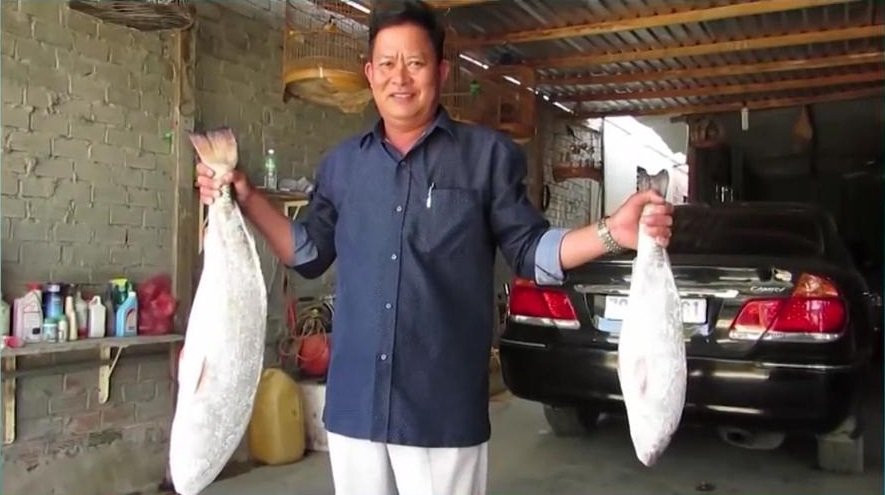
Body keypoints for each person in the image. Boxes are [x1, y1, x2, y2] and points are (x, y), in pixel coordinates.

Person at [195, 1, 674, 493]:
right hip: (356, 403)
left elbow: (531, 250)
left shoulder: (487, 157)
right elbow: (307, 254)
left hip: (441, 408)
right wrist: (247, 198)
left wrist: (611, 232)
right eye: (387, 63)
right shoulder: (342, 166)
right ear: (369, 73)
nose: (400, 78)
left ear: (441, 72)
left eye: (415, 62)